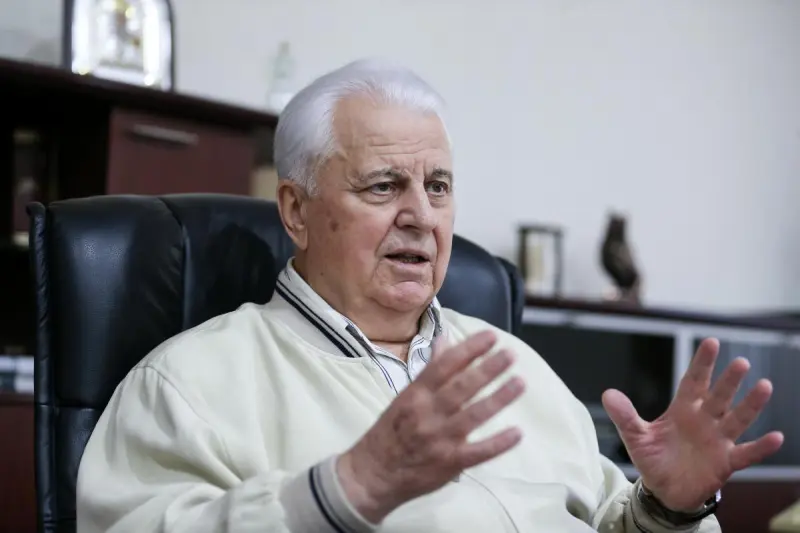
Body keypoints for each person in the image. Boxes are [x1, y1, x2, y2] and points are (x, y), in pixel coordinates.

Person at [76, 58, 784, 533]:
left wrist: (667, 509)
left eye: (437, 186)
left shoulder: (510, 362)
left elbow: (612, 521)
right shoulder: (189, 383)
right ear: (295, 211)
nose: (421, 215)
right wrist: (341, 492)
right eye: (384, 185)